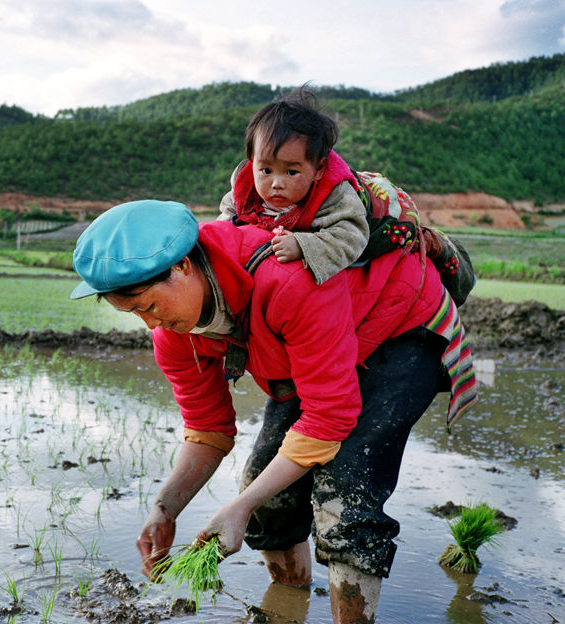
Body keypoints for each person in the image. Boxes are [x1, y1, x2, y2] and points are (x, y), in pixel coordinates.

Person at [70, 199, 477, 623]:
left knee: (346, 491)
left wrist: (238, 507)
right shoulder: (175, 335)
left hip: (401, 328)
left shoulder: (287, 279)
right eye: (134, 313)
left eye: (150, 306)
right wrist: (165, 509)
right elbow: (208, 429)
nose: (150, 324)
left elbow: (328, 419)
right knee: (266, 492)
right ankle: (288, 606)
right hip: (315, 350)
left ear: (183, 267)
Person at [218, 86, 370, 285]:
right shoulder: (244, 190)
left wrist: (303, 245)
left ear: (318, 169)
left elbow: (352, 236)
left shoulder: (334, 195)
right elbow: (225, 220)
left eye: (291, 172)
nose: (277, 183)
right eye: (266, 170)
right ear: (252, 160)